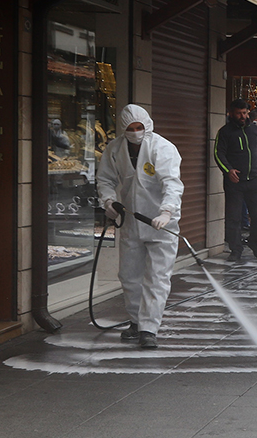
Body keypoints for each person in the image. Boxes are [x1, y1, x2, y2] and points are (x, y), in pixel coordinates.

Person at [97, 104, 184, 350]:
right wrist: (108, 201)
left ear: (147, 125)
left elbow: (171, 183)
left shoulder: (163, 148)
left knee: (157, 278)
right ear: (123, 129)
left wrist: (167, 211)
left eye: (139, 127)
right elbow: (105, 179)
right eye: (130, 128)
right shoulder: (114, 149)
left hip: (161, 224)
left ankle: (149, 329)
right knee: (129, 276)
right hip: (131, 222)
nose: (135, 132)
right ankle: (136, 322)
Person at [215, 99, 257, 262]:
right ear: (232, 113)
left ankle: (254, 243)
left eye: (245, 113)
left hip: (254, 180)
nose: (242, 116)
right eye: (239, 113)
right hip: (235, 182)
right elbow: (219, 154)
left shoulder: (255, 130)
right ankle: (235, 248)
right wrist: (228, 170)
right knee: (234, 217)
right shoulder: (225, 132)